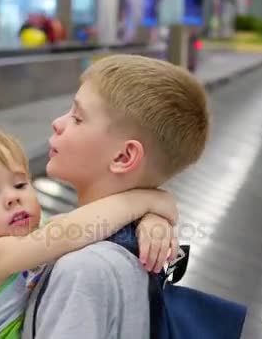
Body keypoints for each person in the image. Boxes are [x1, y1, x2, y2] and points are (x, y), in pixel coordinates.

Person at [0, 129, 179, 338]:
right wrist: (146, 200)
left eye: (20, 184)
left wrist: (150, 217)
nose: (12, 198)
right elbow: (69, 232)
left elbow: (84, 223)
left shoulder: (32, 239)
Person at [21, 54, 209, 338]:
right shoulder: (135, 244)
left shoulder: (82, 271)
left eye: (77, 117)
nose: (57, 123)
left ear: (123, 156)